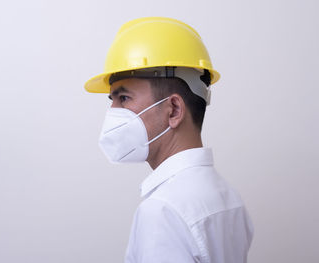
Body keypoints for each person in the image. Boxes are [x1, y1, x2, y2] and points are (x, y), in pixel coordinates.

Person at [84, 17, 254, 263]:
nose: (113, 112)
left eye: (123, 98)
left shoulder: (162, 211)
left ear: (174, 110)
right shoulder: (229, 198)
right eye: (111, 100)